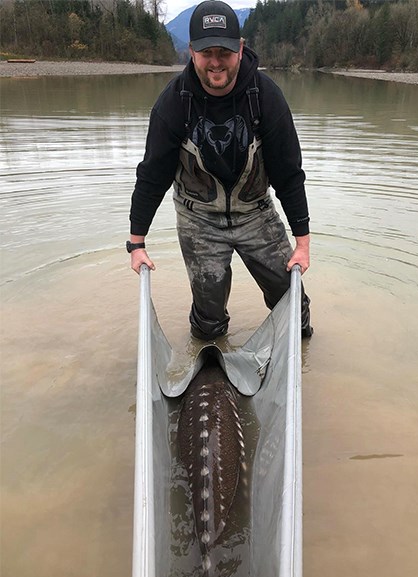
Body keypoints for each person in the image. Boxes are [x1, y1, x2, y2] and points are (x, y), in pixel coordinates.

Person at [127, 0, 312, 339]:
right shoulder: (173, 103)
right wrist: (136, 243)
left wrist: (302, 241)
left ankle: (297, 358)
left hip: (256, 213)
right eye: (206, 52)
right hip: (200, 220)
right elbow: (152, 176)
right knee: (208, 325)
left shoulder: (266, 97)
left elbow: (288, 173)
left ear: (239, 50)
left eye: (224, 52)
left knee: (292, 300)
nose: (215, 63)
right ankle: (208, 363)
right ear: (192, 52)